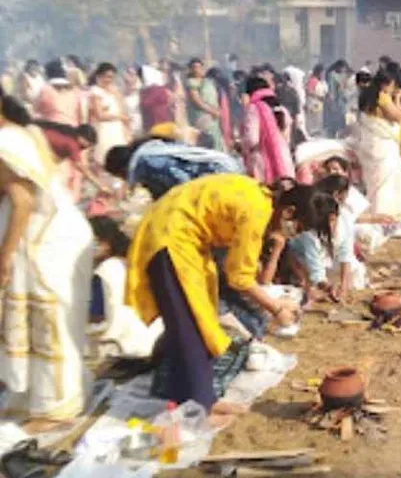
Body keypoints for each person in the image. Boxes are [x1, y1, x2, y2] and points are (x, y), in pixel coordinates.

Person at [124, 174, 321, 421]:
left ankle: (194, 397)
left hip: (182, 237)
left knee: (197, 320)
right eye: (299, 227)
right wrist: (274, 308)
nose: (294, 234)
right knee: (193, 326)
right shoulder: (256, 212)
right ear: (289, 211)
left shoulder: (260, 199)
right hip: (171, 239)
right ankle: (200, 407)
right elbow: (239, 277)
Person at [0, 86, 94, 431]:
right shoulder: (19, 135)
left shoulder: (8, 142)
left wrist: (4, 257)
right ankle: (31, 399)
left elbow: (23, 202)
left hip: (46, 241)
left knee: (49, 321)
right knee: (33, 322)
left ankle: (57, 408)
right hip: (35, 238)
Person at [87, 216, 162, 359]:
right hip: (148, 338)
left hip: (118, 344)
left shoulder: (104, 271)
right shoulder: (128, 265)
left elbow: (97, 314)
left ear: (105, 243)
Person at [288, 174, 362, 303]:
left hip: (328, 257)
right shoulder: (310, 234)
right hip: (303, 260)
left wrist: (343, 287)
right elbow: (315, 267)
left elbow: (346, 253)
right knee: (308, 285)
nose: (333, 224)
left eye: (334, 220)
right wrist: (327, 286)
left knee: (356, 270)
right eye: (330, 221)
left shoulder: (345, 219)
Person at [353, 67, 401, 220]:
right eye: (393, 85)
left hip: (369, 143)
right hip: (381, 145)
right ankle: (383, 213)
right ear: (386, 84)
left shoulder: (366, 94)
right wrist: (398, 99)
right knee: (384, 182)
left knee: (375, 182)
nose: (394, 89)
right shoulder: (382, 96)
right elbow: (398, 116)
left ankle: (376, 212)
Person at [105, 137, 244, 200]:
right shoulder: (148, 151)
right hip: (222, 168)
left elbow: (181, 181)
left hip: (219, 176)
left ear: (121, 169)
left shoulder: (146, 162)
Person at [35, 121, 109, 199]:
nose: (87, 148)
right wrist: (100, 186)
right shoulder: (72, 144)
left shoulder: (70, 136)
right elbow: (81, 168)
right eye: (89, 144)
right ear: (83, 137)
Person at [242, 76, 294, 183]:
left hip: (263, 162)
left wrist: (241, 146)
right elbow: (287, 137)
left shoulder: (254, 108)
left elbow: (252, 139)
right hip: (284, 160)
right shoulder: (282, 108)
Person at [88, 63, 129, 166]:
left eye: (111, 77)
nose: (109, 80)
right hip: (104, 131)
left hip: (117, 130)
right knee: (104, 161)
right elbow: (99, 115)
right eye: (107, 77)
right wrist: (118, 117)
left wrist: (116, 94)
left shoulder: (113, 91)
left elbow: (122, 109)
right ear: (99, 76)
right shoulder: (95, 92)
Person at [185, 58, 225, 151]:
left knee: (216, 138)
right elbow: (196, 100)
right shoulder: (191, 82)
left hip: (213, 115)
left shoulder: (208, 81)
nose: (197, 69)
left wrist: (217, 110)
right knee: (205, 139)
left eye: (199, 67)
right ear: (190, 69)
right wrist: (211, 111)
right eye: (194, 67)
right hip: (201, 115)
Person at [33, 60, 82, 127]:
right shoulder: (76, 91)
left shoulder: (45, 90)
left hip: (52, 128)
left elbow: (35, 109)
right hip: (73, 128)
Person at [139, 65, 174, 133]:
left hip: (161, 121)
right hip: (151, 123)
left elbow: (146, 103)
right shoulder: (144, 91)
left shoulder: (158, 89)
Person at [305, 64, 327, 136]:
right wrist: (318, 96)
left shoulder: (320, 81)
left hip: (318, 104)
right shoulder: (313, 80)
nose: (323, 74)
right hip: (313, 103)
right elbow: (308, 91)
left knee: (318, 120)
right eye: (322, 72)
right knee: (313, 120)